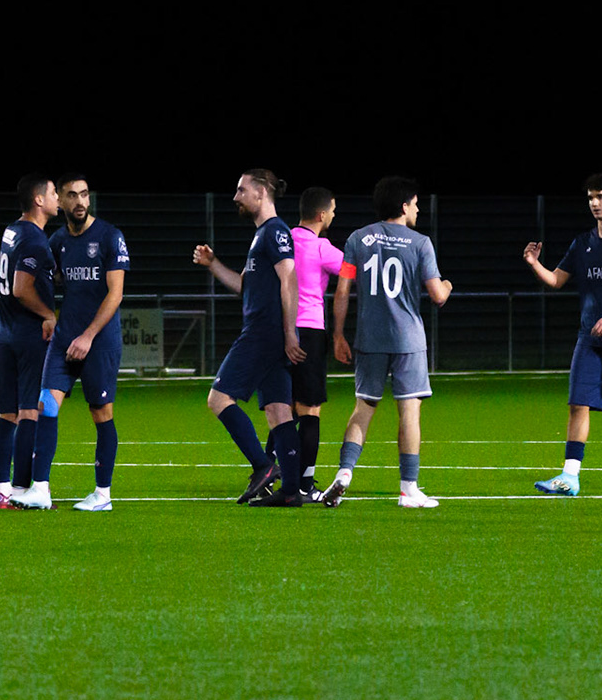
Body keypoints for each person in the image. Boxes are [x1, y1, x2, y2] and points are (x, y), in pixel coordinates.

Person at [321, 175, 453, 509]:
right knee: (409, 411)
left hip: (369, 338)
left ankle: (345, 473)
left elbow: (342, 290)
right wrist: (448, 284)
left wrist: (338, 335)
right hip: (408, 340)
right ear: (405, 205)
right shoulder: (420, 243)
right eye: (416, 203)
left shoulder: (357, 239)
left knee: (363, 407)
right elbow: (438, 295)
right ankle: (409, 490)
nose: (419, 209)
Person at [523, 173, 602, 496]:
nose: (595, 203)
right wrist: (534, 263)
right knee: (578, 404)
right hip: (590, 338)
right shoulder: (582, 243)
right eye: (591, 198)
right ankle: (570, 476)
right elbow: (556, 281)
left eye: (601, 197)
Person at [12, 173, 128, 513]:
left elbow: (115, 293)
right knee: (46, 405)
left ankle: (102, 494)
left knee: (101, 413)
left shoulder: (109, 236)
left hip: (100, 341)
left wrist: (88, 336)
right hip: (65, 340)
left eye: (84, 195)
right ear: (59, 202)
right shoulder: (58, 241)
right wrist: (48, 316)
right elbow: (50, 278)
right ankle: (41, 489)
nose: (79, 202)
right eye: (71, 196)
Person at [192, 168, 305, 507]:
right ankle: (290, 493)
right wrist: (213, 265)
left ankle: (262, 466)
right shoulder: (261, 236)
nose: (236, 197)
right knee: (278, 411)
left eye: (241, 190)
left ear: (261, 193)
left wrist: (289, 333)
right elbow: (244, 286)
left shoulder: (275, 232)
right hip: (267, 333)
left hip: (264, 333)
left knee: (218, 398)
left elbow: (290, 279)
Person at [0, 174, 58, 509]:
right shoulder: (34, 239)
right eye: (54, 193)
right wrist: (49, 314)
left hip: (4, 331)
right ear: (39, 200)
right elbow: (21, 289)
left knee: (7, 414)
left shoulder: (11, 230)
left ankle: (2, 490)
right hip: (29, 333)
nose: (58, 197)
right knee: (30, 410)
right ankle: (21, 489)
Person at [289, 186, 345, 499]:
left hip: (281, 330)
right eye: (333, 211)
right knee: (310, 410)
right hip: (310, 330)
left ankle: (272, 469)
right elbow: (353, 270)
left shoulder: (282, 239)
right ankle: (305, 484)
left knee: (285, 409)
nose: (334, 216)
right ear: (322, 215)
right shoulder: (321, 247)